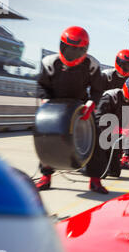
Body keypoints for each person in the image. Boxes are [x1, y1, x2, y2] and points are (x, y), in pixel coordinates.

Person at [35, 26, 107, 193]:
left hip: (80, 106)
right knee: (46, 138)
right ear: (62, 46)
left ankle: (95, 180)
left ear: (84, 50)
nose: (72, 53)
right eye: (69, 49)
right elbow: (41, 84)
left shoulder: (92, 64)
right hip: (53, 105)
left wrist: (92, 103)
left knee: (96, 140)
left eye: (77, 50)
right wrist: (45, 99)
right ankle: (46, 177)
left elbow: (97, 89)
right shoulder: (50, 62)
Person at [96, 73, 129, 176]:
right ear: (128, 85)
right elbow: (99, 119)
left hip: (114, 138)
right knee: (100, 172)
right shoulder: (111, 96)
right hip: (99, 136)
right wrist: (120, 130)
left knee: (115, 172)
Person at [99, 49, 129, 170]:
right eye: (123, 63)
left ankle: (123, 158)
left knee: (126, 133)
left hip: (122, 110)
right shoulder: (106, 75)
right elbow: (96, 91)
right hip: (105, 108)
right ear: (117, 62)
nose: (125, 67)